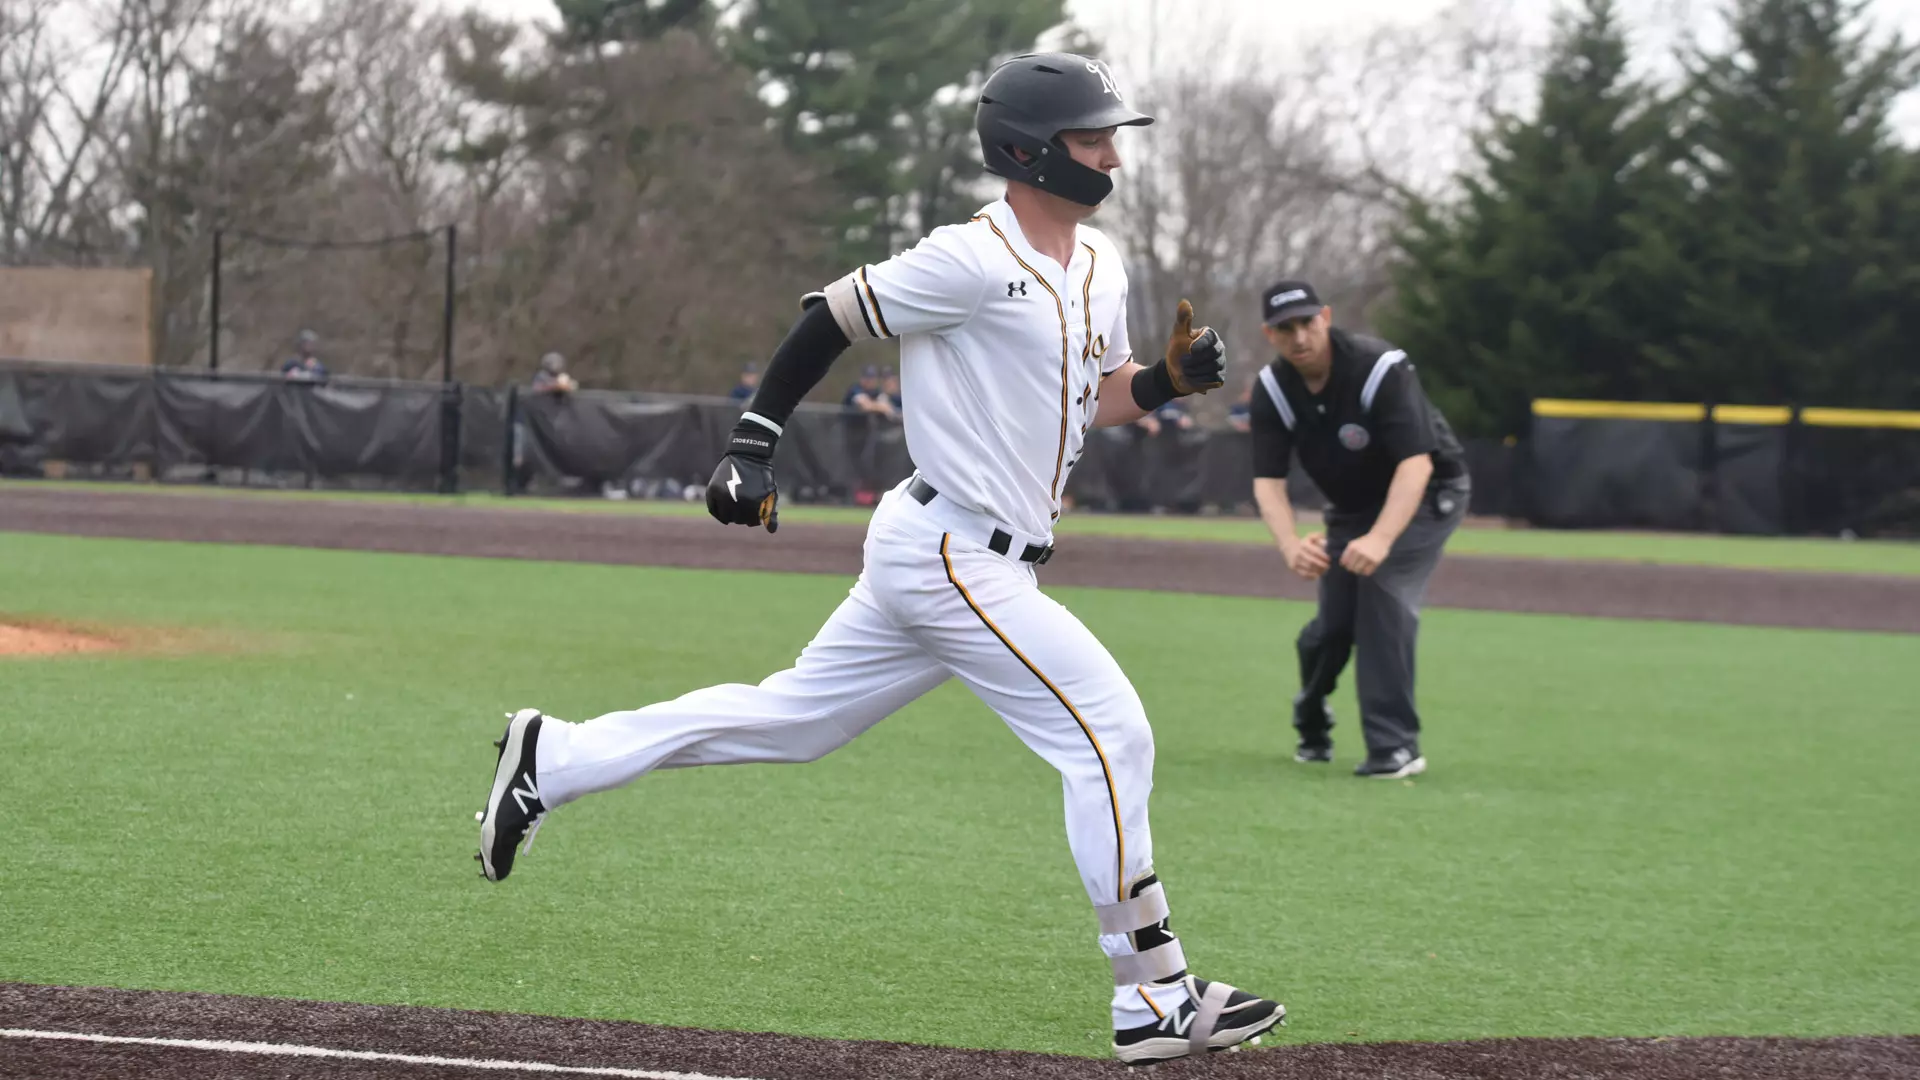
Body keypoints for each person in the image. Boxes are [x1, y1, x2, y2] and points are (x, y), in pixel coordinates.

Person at [474, 51, 1286, 1066]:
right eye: (1093, 137)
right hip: (955, 553)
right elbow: (829, 320)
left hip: (961, 554)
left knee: (793, 722)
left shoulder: (1101, 263)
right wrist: (751, 442)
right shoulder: (967, 257)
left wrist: (1164, 381)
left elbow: (1100, 394)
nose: (1114, 155)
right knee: (1111, 734)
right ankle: (1152, 995)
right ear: (1031, 151)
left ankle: (556, 757)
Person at [1246, 279, 1470, 779]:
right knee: (1332, 626)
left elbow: (1417, 465)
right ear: (1270, 334)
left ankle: (1396, 747)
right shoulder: (1273, 390)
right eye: (1285, 329)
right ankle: (1311, 716)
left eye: (1307, 322)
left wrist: (1381, 540)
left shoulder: (1380, 368)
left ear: (1325, 317)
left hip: (1430, 493)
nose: (1299, 337)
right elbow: (1268, 482)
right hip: (1353, 510)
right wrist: (1289, 545)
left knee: (1382, 588)